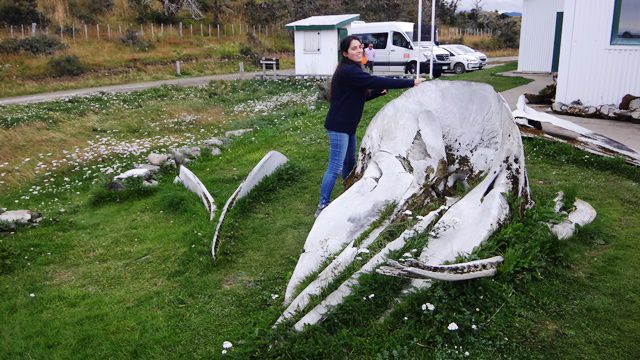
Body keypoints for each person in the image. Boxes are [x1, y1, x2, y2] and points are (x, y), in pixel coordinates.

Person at [315, 35, 423, 217]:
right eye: (353, 48)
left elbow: (358, 97)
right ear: (345, 53)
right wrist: (410, 82)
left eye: (360, 47)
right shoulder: (348, 71)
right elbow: (376, 81)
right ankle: (322, 206)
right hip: (339, 126)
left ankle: (346, 195)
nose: (358, 50)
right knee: (335, 167)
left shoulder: (353, 69)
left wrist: (376, 95)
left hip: (348, 126)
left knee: (349, 164)